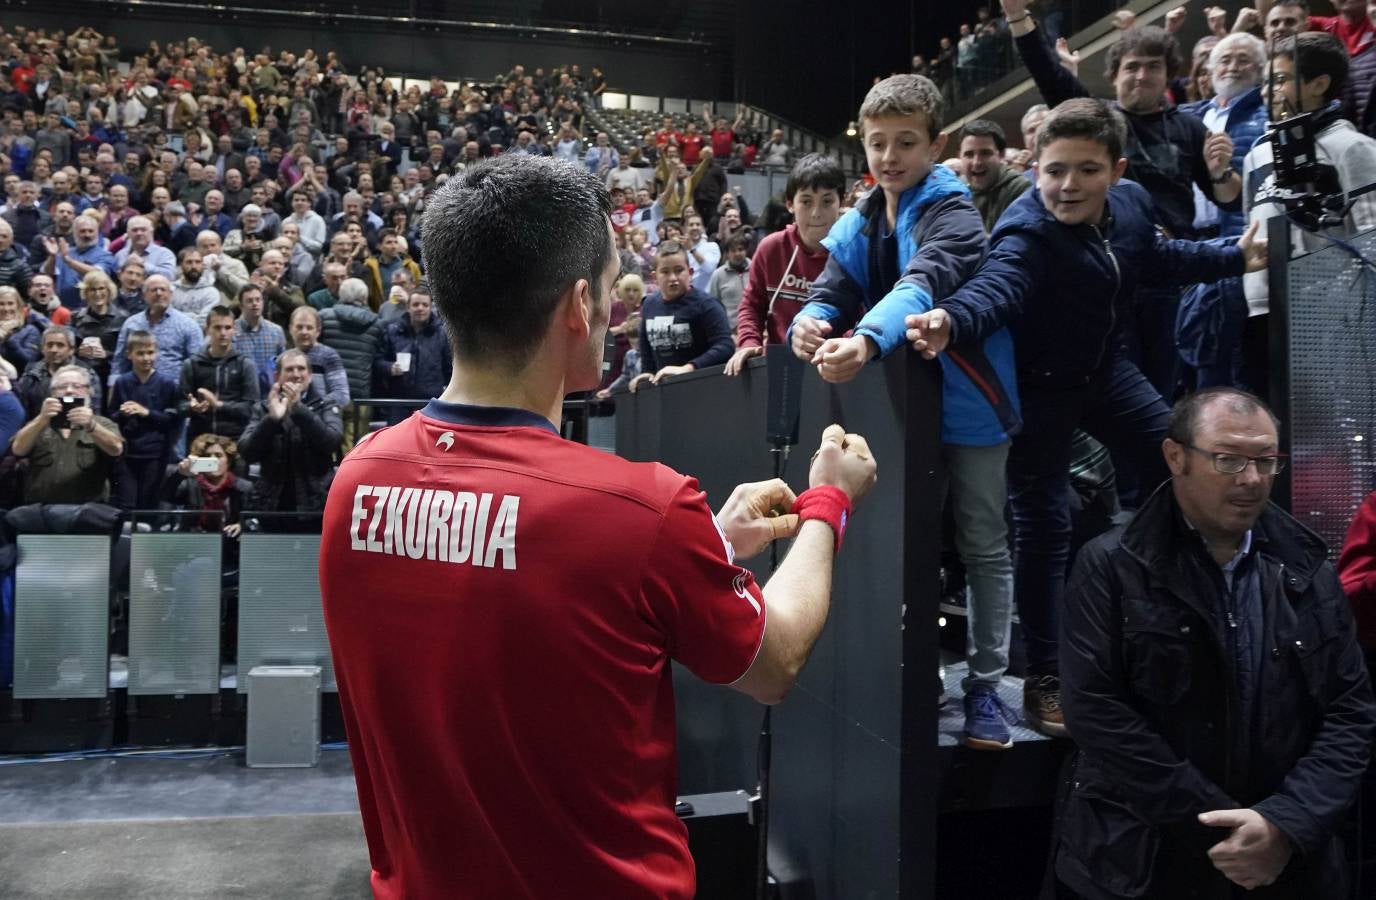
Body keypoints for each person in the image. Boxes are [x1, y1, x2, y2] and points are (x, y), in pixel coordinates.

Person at [319, 153, 877, 899]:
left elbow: (526, 595)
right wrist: (827, 505)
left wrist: (703, 546)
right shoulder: (639, 510)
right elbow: (773, 665)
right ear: (580, 305)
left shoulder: (356, 482)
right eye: (615, 289)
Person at [906, 98, 1268, 736]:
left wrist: (1233, 255)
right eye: (1053, 170)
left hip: (1106, 371)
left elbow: (1159, 259)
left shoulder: (1130, 206)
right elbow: (998, 288)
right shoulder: (1025, 232)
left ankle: (1182, 611)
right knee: (1042, 529)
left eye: (1086, 171)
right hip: (1037, 395)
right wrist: (951, 319)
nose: (1067, 186)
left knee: (1179, 461)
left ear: (1117, 171)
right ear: (1036, 167)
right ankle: (1045, 675)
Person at [1056, 387, 1376, 899]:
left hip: (1286, 858)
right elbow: (1097, 714)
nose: (1251, 480)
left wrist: (1285, 824)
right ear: (1176, 456)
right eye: (1227, 459)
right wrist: (1224, 829)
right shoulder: (1111, 566)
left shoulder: (1307, 568)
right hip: (1146, 859)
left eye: (1266, 461)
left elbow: (1350, 710)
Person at [789, 75, 1023, 748]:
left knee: (983, 546)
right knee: (902, 547)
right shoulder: (865, 213)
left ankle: (985, 690)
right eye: (877, 143)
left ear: (936, 143)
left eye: (906, 143)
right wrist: (810, 320)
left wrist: (863, 338)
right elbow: (832, 288)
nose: (889, 157)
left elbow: (919, 286)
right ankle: (915, 677)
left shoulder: (950, 210)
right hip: (901, 414)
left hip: (973, 406)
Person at [1003, 0, 1243, 399]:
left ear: (1168, 73)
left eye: (1152, 66)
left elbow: (1228, 201)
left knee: (1164, 389)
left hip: (1168, 272)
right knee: (1110, 386)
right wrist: (1016, 16)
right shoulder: (1100, 124)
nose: (1142, 75)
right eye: (1131, 66)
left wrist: (1221, 170)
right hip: (1109, 271)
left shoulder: (1190, 128)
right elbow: (1047, 74)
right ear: (1114, 76)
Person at [1240, 32, 1376, 398]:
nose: (1268, 90)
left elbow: (1372, 238)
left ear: (1319, 84)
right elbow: (1249, 227)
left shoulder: (1354, 148)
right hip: (1262, 306)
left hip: (1332, 312)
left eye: (1281, 79)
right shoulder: (1256, 154)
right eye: (1267, 80)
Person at [723, 155, 846, 376]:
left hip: (837, 371)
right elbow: (752, 304)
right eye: (806, 201)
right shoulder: (771, 249)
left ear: (841, 203)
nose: (816, 212)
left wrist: (845, 346)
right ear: (790, 204)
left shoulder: (853, 254)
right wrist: (749, 342)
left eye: (827, 201)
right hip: (780, 372)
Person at [239, 348, 342, 521]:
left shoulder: (327, 404)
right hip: (272, 506)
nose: (296, 374)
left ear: (310, 375)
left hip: (317, 504)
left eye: (301, 369)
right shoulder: (264, 408)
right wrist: (271, 420)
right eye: (289, 369)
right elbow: (247, 451)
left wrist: (299, 409)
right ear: (277, 376)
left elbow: (332, 442)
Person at [10, 363, 124, 504]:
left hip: (86, 513)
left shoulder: (102, 423)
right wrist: (42, 418)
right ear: (52, 393)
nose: (69, 391)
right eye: (62, 387)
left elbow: (116, 449)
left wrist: (91, 425)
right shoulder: (39, 423)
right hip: (41, 511)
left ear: (88, 391)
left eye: (77, 386)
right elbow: (18, 449)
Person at [628, 241, 734, 390]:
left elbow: (725, 346)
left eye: (679, 270)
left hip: (705, 391)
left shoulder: (707, 305)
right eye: (665, 272)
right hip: (665, 395)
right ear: (654, 277)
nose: (673, 278)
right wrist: (646, 373)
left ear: (690, 272)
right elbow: (646, 351)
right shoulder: (649, 305)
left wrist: (688, 368)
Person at [108, 330, 180, 511]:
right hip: (127, 453)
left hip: (155, 454)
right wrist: (123, 413)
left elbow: (172, 420)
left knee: (149, 504)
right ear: (129, 354)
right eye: (140, 353)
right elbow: (111, 417)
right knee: (127, 504)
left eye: (150, 352)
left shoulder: (167, 383)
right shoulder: (122, 383)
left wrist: (146, 413)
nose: (146, 358)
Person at [178, 305, 259, 443]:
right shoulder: (192, 364)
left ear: (234, 330)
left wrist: (219, 404)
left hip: (235, 440)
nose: (223, 333)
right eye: (217, 327)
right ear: (207, 329)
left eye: (227, 328)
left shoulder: (245, 364)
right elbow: (179, 405)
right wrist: (191, 407)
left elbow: (252, 408)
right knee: (200, 465)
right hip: (200, 441)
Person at [319, 277, 383, 446]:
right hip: (360, 395)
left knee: (327, 443)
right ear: (364, 298)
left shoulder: (324, 317)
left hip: (329, 392)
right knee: (353, 446)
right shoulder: (376, 324)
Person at [375, 283, 451, 424]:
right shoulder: (393, 330)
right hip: (398, 403)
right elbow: (378, 362)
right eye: (416, 304)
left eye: (424, 305)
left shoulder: (442, 334)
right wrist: (389, 368)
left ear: (430, 307)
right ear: (408, 307)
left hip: (430, 404)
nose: (420, 308)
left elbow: (449, 369)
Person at [161, 432, 253, 538]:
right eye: (207, 456)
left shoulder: (243, 487)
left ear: (229, 460)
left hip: (229, 543)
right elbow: (166, 496)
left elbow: (253, 518)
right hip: (196, 542)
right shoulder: (192, 484)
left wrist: (242, 525)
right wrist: (179, 474)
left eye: (218, 456)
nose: (213, 460)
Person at [958, 119, 1031, 232]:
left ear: (1001, 155)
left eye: (985, 153)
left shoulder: (1020, 189)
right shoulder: (954, 192)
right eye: (969, 154)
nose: (977, 162)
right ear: (960, 157)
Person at [14, 325, 103, 418]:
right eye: (49, 345)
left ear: (71, 350)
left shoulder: (87, 374)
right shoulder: (31, 374)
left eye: (60, 345)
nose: (54, 350)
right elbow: (22, 410)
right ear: (42, 349)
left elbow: (95, 413)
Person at [288, 306, 351, 409]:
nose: (304, 332)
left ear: (318, 331)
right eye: (299, 327)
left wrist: (313, 407)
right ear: (290, 329)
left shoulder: (329, 356)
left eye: (309, 328)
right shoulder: (285, 358)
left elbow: (342, 395)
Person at [231, 283, 287, 386]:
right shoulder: (231, 331)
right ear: (241, 306)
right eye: (249, 301)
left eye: (258, 300)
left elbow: (282, 364)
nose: (255, 304)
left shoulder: (276, 331)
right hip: (241, 389)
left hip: (270, 390)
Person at [706, 233, 750, 331]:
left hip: (754, 328)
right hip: (730, 331)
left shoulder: (757, 270)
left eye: (740, 249)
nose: (737, 253)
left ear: (746, 251)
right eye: (733, 250)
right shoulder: (718, 275)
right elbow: (714, 306)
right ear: (727, 253)